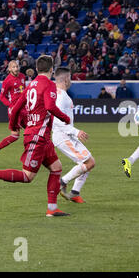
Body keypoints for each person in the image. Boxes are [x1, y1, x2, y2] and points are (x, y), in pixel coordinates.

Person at [0, 55, 72, 217]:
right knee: (27, 176)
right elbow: (49, 106)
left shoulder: (31, 85)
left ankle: (52, 208)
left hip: (42, 136)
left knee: (56, 168)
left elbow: (17, 106)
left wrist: (12, 126)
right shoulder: (48, 84)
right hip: (37, 136)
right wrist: (65, 118)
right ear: (51, 69)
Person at [52, 67, 95, 203]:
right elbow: (57, 120)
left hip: (67, 135)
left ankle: (75, 192)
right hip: (63, 136)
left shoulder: (57, 93)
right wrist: (76, 131)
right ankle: (62, 182)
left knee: (87, 162)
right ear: (65, 79)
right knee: (89, 162)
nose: (71, 81)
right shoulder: (61, 97)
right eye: (70, 78)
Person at [0, 60, 27, 165]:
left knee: (21, 134)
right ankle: (30, 156)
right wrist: (11, 105)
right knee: (25, 133)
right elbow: (2, 97)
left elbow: (23, 90)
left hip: (24, 109)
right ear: (9, 69)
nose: (16, 68)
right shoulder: (7, 81)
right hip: (15, 110)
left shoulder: (23, 76)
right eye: (14, 67)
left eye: (17, 66)